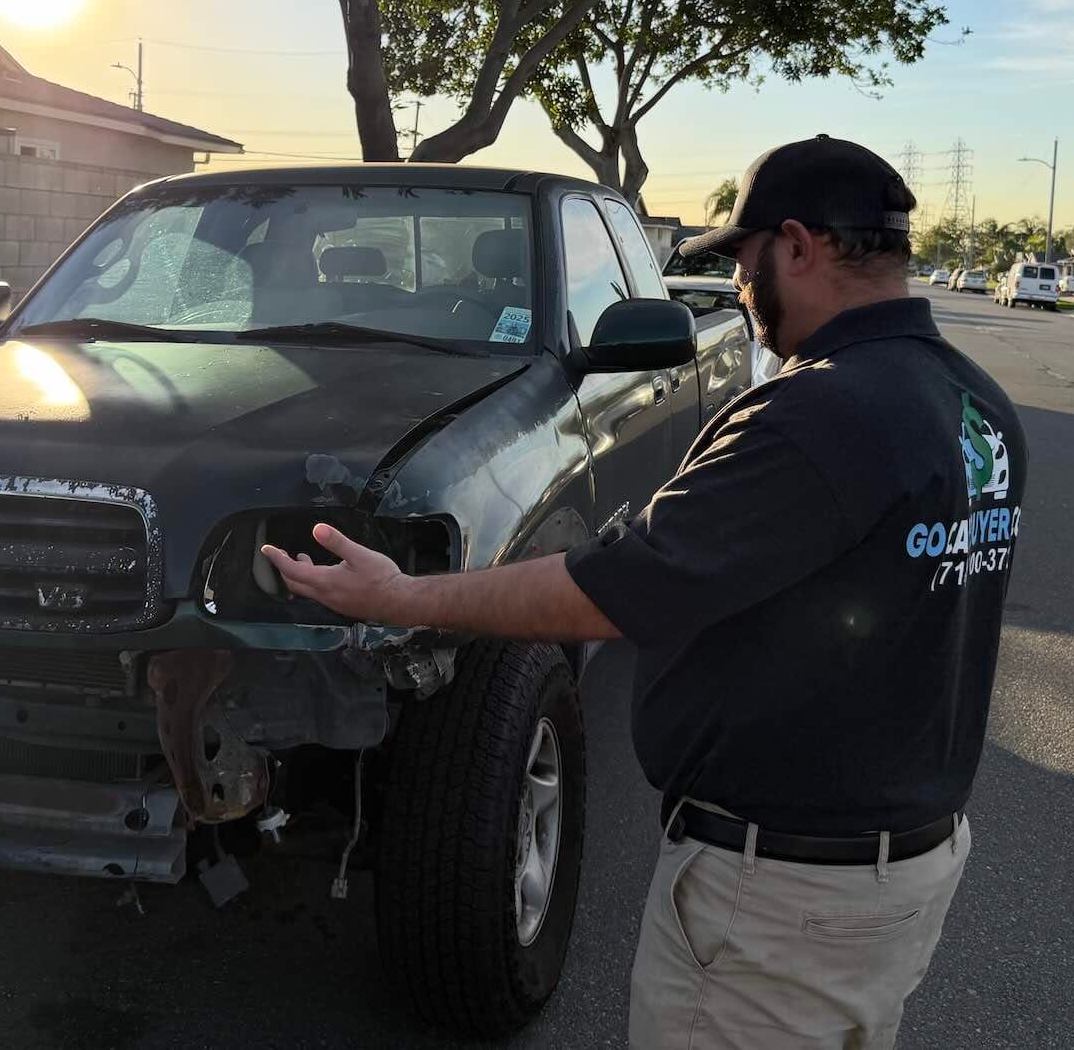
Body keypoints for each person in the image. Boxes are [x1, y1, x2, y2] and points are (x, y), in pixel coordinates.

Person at [263, 135, 1028, 1050]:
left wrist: (401, 598)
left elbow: (614, 590)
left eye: (743, 261)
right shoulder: (973, 402)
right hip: (896, 867)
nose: (738, 291)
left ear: (797, 246)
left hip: (782, 896)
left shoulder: (824, 412)